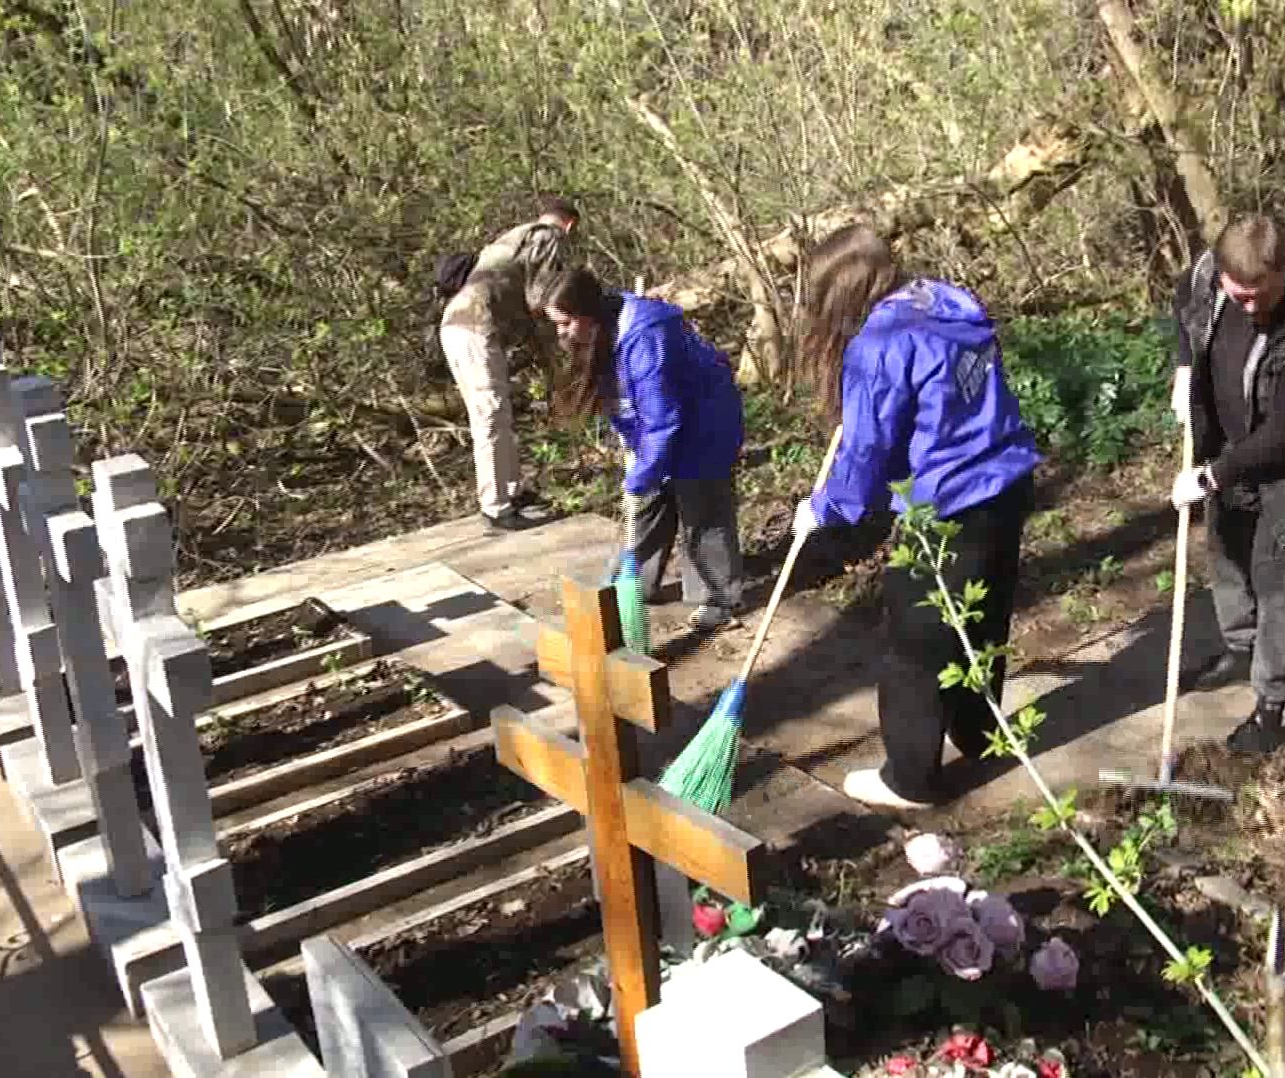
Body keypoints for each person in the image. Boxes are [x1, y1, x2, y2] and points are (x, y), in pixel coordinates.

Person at [790, 224, 1040, 810]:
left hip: (947, 503)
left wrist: (824, 509)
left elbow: (865, 453)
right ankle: (980, 734)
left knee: (916, 642)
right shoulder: (948, 301)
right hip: (1006, 481)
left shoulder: (881, 342)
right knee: (981, 616)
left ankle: (908, 777)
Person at [1167, 213, 1285, 755]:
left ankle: (1271, 703)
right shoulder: (1210, 273)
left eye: (1259, 297)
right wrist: (1185, 369)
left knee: (1278, 576)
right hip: (1227, 444)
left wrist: (1210, 476)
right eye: (1238, 296)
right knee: (1226, 549)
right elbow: (1185, 306)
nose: (1248, 308)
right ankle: (1239, 646)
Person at [539, 267, 748, 630]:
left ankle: (717, 597)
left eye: (566, 322)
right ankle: (633, 584)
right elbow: (624, 399)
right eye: (556, 324)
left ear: (588, 314)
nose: (561, 332)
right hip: (658, 424)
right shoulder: (599, 333)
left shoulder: (646, 336)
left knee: (702, 511)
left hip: (704, 424)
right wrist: (634, 450)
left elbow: (663, 417)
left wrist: (643, 471)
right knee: (647, 507)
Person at [439, 196, 581, 531]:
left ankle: (511, 491)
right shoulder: (549, 237)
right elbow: (542, 298)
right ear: (570, 225)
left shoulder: (514, 237)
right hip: (474, 326)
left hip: (462, 325)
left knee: (496, 412)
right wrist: (568, 330)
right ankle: (496, 507)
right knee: (489, 413)